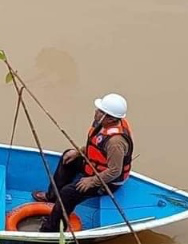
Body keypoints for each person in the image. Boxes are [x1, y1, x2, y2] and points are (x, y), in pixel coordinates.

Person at [33, 93, 134, 232]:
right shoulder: (102, 125)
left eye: (100, 111)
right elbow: (96, 145)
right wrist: (79, 152)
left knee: (68, 193)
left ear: (110, 118)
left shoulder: (115, 142)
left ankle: (51, 228)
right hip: (93, 166)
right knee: (67, 158)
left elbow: (115, 171)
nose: (96, 112)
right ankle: (52, 197)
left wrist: (92, 181)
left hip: (107, 181)